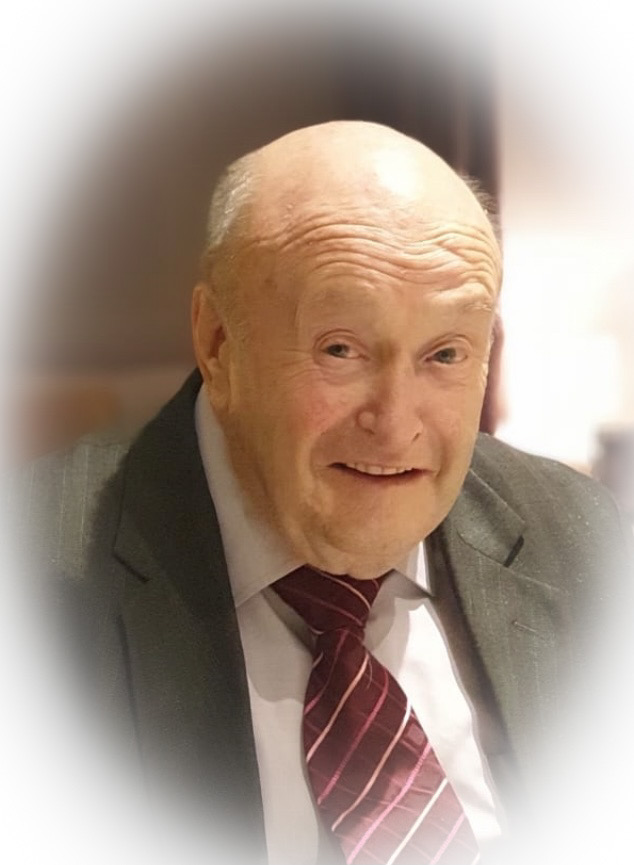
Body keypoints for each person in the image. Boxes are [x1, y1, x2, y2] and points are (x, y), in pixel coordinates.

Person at [21, 121, 631, 865]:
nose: (395, 424)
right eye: (340, 349)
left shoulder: (584, 539)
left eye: (445, 354)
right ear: (218, 343)